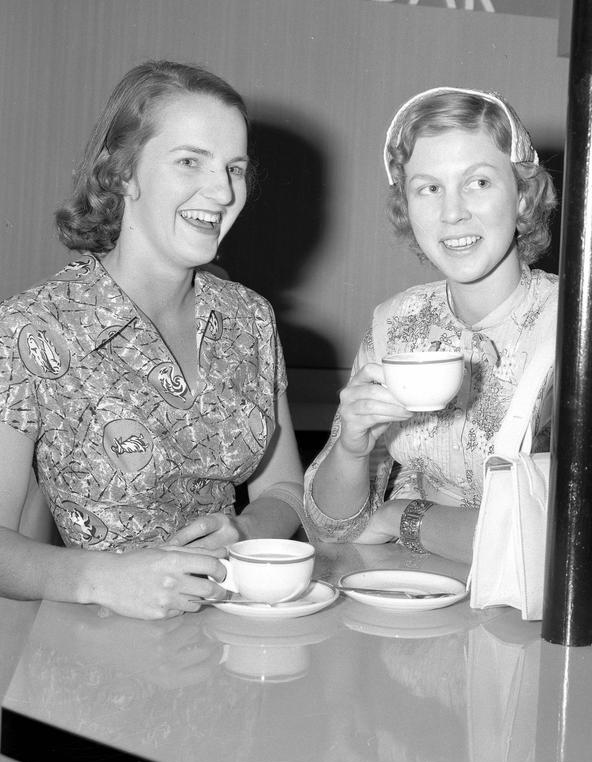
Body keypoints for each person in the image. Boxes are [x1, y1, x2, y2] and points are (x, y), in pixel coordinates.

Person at [0, 60, 304, 619]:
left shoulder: (250, 319)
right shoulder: (32, 329)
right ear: (121, 174)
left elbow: (284, 488)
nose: (222, 190)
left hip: (234, 633)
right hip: (101, 651)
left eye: (234, 168)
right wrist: (104, 580)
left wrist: (240, 531)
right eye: (191, 161)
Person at [304, 86, 559, 562]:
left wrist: (401, 517)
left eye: (478, 182)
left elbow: (552, 537)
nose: (452, 211)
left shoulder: (573, 326)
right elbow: (330, 528)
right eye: (429, 188)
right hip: (405, 596)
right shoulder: (394, 323)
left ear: (523, 197)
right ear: (407, 206)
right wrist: (353, 448)